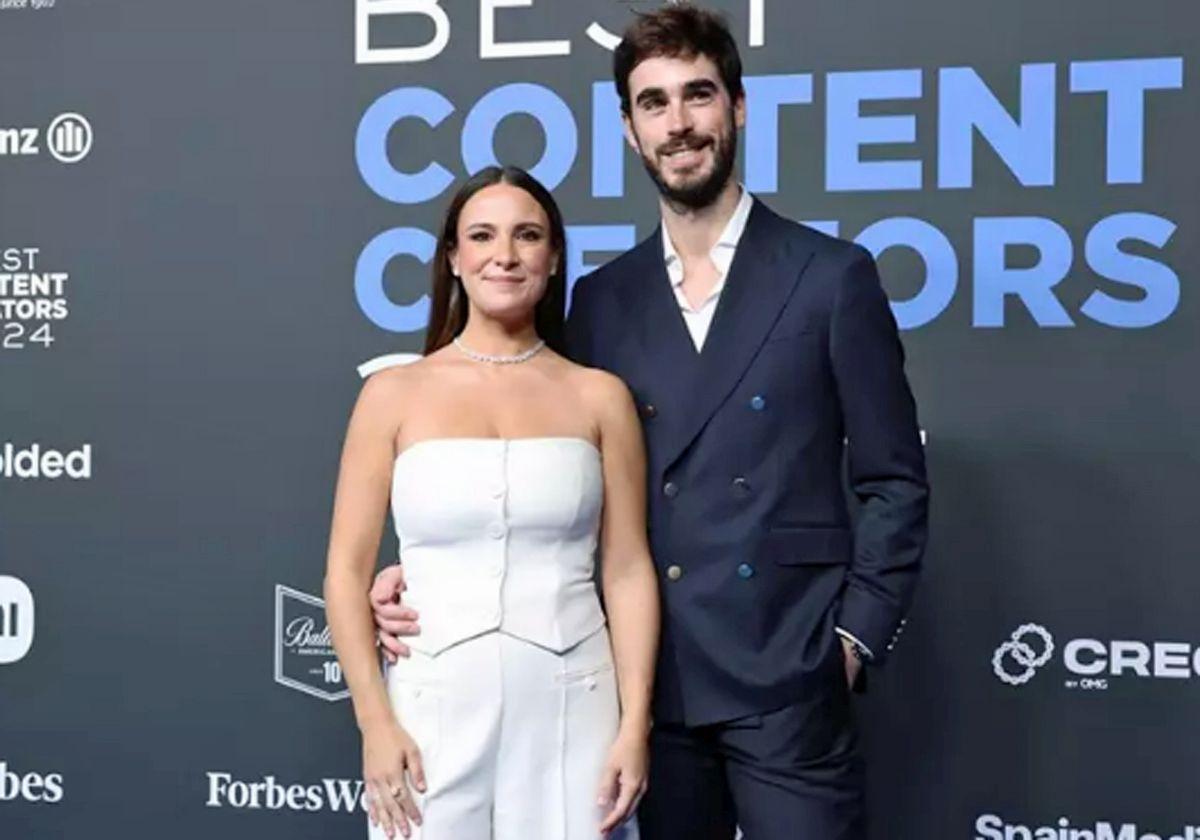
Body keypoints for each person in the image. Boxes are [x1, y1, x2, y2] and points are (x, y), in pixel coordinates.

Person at [371, 5, 929, 838]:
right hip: (640, 690)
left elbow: (892, 479)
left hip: (787, 674)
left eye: (697, 96)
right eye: (654, 103)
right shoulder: (601, 299)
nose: (679, 123)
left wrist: (850, 641)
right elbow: (533, 457)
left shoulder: (830, 276)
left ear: (737, 108)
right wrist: (427, 571)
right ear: (630, 131)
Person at [324, 165, 659, 840]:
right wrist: (374, 723)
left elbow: (626, 571)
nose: (504, 255)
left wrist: (633, 726)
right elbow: (344, 573)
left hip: (576, 707)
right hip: (430, 712)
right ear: (453, 257)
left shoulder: (601, 397)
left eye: (527, 235)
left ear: (554, 255)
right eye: (482, 235)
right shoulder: (392, 395)